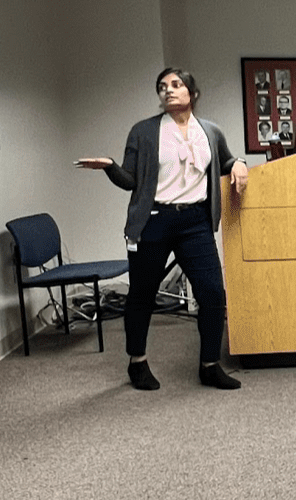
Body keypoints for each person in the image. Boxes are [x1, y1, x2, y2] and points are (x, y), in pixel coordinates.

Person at [75, 67, 249, 392]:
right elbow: (130, 180)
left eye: (175, 84)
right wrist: (110, 167)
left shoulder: (210, 131)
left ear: (191, 93)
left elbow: (223, 161)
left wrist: (238, 162)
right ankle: (137, 362)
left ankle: (210, 365)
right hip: (154, 221)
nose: (168, 90)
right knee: (141, 295)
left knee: (212, 295)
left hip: (195, 222)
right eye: (162, 87)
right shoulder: (143, 132)